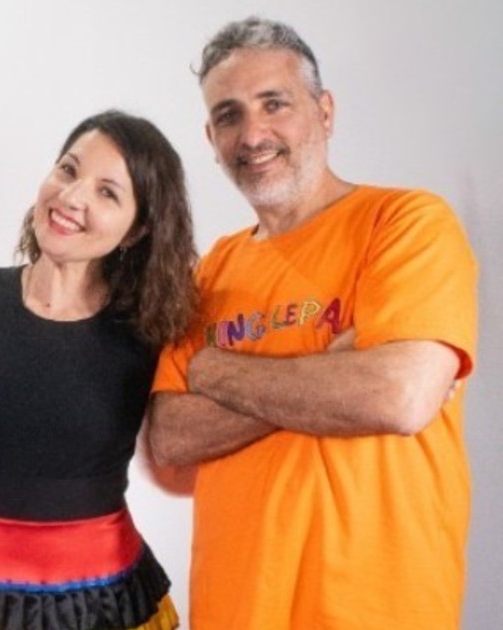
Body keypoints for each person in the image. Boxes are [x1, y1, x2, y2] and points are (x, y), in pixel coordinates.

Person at [147, 16, 478, 630]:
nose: (253, 134)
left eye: (274, 103)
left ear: (324, 112)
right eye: (229, 115)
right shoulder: (210, 273)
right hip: (235, 612)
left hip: (379, 611)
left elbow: (397, 396)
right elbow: (169, 441)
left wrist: (213, 371)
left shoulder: (406, 224)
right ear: (212, 138)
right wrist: (333, 370)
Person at [0, 111, 196, 630]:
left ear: (138, 229)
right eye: (68, 170)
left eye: (107, 192)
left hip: (105, 604)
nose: (72, 197)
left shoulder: (151, 334)